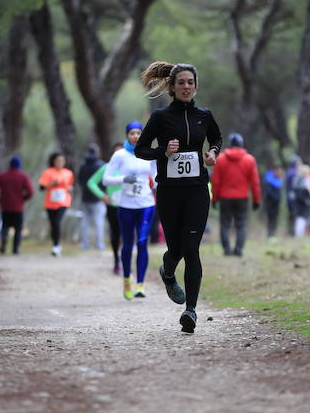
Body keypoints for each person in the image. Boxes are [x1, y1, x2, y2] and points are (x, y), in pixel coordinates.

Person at [135, 61, 222, 334]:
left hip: (197, 190)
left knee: (192, 248)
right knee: (176, 249)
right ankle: (168, 272)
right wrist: (163, 150)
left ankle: (191, 311)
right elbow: (140, 150)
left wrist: (213, 153)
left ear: (196, 86)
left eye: (190, 82)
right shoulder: (161, 117)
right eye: (181, 82)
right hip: (170, 192)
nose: (186, 87)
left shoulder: (204, 115)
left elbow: (216, 137)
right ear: (172, 87)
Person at [103, 122, 157, 300]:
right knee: (127, 245)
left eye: (139, 133)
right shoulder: (120, 155)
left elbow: (156, 177)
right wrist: (123, 179)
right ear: (127, 135)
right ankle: (127, 279)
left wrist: (160, 187)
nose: (135, 136)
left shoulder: (149, 153)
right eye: (132, 133)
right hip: (126, 206)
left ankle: (140, 285)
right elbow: (106, 179)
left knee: (142, 242)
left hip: (146, 204)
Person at [211, 133, 261, 257]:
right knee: (241, 224)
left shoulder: (221, 159)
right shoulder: (249, 160)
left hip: (225, 197)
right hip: (242, 197)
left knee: (225, 223)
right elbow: (255, 182)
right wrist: (256, 200)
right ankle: (238, 249)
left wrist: (215, 198)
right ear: (241, 144)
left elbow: (216, 181)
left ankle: (227, 249)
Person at [87, 143, 124, 274]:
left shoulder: (132, 166)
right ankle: (116, 262)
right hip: (113, 206)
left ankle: (127, 261)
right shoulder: (107, 168)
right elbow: (91, 182)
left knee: (128, 235)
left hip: (131, 205)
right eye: (116, 153)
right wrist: (102, 195)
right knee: (116, 234)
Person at [0, 156, 34, 254]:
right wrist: (23, 199)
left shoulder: (3, 175)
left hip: (6, 206)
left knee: (5, 226)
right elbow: (30, 192)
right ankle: (15, 249)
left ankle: (4, 240)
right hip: (18, 207)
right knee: (18, 228)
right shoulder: (23, 176)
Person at [38, 153, 74, 257]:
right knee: (53, 224)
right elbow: (41, 188)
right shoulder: (48, 172)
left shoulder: (68, 173)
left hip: (64, 202)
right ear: (53, 161)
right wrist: (51, 184)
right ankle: (55, 245)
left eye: (62, 161)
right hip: (50, 203)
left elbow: (70, 186)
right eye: (58, 160)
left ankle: (56, 246)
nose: (60, 163)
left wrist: (70, 188)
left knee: (57, 221)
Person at [77, 144, 106, 251]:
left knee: (85, 222)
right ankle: (99, 244)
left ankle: (85, 245)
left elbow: (80, 180)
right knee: (99, 222)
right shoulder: (101, 165)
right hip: (98, 197)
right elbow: (104, 182)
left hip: (85, 197)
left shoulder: (82, 165)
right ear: (97, 152)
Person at [291, 164, 310, 237]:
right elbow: (308, 192)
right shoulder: (305, 180)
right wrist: (308, 200)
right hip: (303, 203)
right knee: (302, 219)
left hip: (298, 203)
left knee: (300, 219)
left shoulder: (296, 179)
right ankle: (299, 235)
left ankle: (299, 234)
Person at [262, 165, 284, 241]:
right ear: (275, 171)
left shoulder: (278, 180)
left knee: (275, 219)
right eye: (279, 171)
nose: (280, 173)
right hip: (270, 204)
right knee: (270, 219)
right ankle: (270, 235)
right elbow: (268, 193)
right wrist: (275, 198)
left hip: (276, 204)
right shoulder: (269, 180)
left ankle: (273, 234)